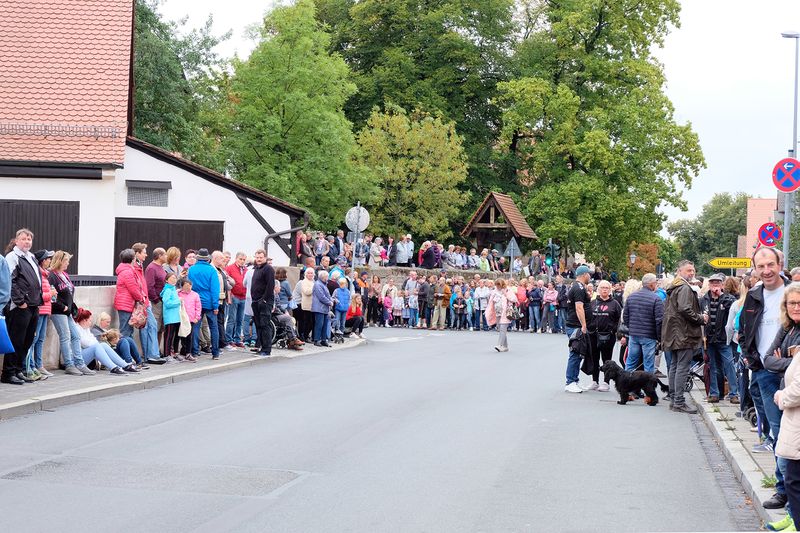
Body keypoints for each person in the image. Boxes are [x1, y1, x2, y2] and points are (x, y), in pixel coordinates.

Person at [741, 247, 791, 511]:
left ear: (780, 263)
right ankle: (783, 489)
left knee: (790, 433)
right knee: (778, 433)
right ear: (755, 269)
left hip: (791, 373)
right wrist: (752, 360)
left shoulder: (793, 292)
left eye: (771, 264)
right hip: (764, 372)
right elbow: (745, 330)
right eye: (761, 267)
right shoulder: (753, 294)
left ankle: (788, 489)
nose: (767, 271)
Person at [3, 229, 45, 384]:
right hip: (20, 306)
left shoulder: (32, 257)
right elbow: (10, 281)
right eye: (24, 239)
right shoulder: (12, 257)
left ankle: (19, 369)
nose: (27, 241)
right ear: (16, 240)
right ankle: (8, 373)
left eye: (29, 239)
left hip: (34, 305)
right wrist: (20, 302)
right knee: (16, 340)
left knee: (27, 340)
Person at [773, 284, 800, 531]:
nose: (795, 307)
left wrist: (782, 396)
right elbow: (770, 357)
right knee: (788, 471)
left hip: (792, 406)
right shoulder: (789, 328)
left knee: (792, 474)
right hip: (790, 414)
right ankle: (792, 516)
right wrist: (786, 360)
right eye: (791, 303)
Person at [662, 260, 705, 414]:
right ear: (679, 271)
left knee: (674, 365)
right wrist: (701, 318)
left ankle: (674, 399)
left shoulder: (673, 287)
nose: (692, 273)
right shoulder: (684, 287)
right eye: (688, 270)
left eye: (693, 270)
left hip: (673, 333)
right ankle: (679, 401)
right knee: (681, 367)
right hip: (683, 334)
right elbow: (685, 309)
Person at [48, 250, 94, 376]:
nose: (68, 263)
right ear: (60, 261)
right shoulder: (52, 276)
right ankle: (69, 364)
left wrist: (71, 307)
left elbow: (69, 292)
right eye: (66, 260)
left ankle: (79, 363)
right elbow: (52, 296)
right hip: (58, 311)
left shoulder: (65, 275)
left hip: (67, 311)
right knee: (65, 336)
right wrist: (62, 307)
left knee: (75, 336)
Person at [702, 272, 738, 404]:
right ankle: (714, 393)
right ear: (709, 284)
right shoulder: (704, 299)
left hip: (723, 339)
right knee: (712, 366)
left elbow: (733, 308)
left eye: (717, 283)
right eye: (712, 283)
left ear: (722, 285)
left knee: (729, 365)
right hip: (709, 340)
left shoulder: (728, 298)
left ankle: (734, 393)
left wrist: (720, 295)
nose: (714, 285)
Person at [622, 273, 663, 373]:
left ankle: (628, 385)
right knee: (648, 364)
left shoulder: (631, 297)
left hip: (634, 334)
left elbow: (625, 316)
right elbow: (659, 320)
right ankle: (647, 386)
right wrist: (659, 337)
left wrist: (631, 327)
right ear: (652, 284)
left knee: (631, 362)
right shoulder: (656, 299)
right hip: (649, 335)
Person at [74, 308, 136, 374]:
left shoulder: (86, 328)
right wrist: (94, 343)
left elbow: (93, 341)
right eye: (89, 321)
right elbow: (86, 343)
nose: (91, 322)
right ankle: (113, 367)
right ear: (84, 321)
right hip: (76, 360)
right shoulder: (77, 329)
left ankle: (125, 365)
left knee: (103, 345)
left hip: (84, 355)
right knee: (96, 346)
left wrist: (94, 343)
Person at [26, 249, 56, 379]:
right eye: (48, 258)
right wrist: (51, 294)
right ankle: (31, 366)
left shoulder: (45, 275)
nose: (50, 261)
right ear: (43, 261)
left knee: (41, 339)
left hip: (46, 311)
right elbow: (37, 295)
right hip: (40, 310)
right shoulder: (38, 274)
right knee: (33, 339)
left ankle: (39, 365)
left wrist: (51, 295)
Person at [188, 248, 221, 359]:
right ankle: (215, 353)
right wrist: (215, 305)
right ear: (208, 259)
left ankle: (195, 351)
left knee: (196, 327)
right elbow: (215, 289)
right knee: (213, 327)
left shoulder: (192, 269)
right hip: (209, 302)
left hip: (196, 301)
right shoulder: (212, 271)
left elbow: (189, 286)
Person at [564, 265, 592, 393]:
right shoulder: (579, 288)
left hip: (575, 324)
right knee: (575, 353)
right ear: (584, 274)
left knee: (578, 353)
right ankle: (570, 382)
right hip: (576, 325)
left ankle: (574, 380)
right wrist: (584, 325)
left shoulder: (577, 287)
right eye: (589, 274)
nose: (590, 276)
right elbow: (579, 307)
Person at [591, 280, 622, 392]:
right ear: (598, 289)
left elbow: (619, 320)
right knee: (594, 358)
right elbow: (589, 317)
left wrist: (614, 330)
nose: (604, 290)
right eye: (602, 287)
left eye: (606, 288)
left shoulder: (615, 304)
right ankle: (594, 381)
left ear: (610, 290)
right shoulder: (593, 302)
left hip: (608, 336)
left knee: (607, 360)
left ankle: (606, 382)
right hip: (594, 335)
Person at [250, 249, 276, 357]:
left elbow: (270, 285)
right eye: (257, 257)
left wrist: (264, 299)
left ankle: (266, 349)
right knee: (258, 325)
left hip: (264, 302)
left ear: (265, 257)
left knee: (265, 325)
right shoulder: (256, 268)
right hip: (255, 301)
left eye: (261, 257)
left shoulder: (268, 269)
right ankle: (260, 345)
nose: (259, 259)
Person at [225, 252, 248, 347]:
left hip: (243, 296)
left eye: (243, 259)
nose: (242, 261)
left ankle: (237, 339)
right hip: (234, 296)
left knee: (240, 320)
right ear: (236, 258)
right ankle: (228, 339)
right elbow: (227, 282)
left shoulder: (246, 269)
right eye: (240, 259)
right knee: (232, 319)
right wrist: (230, 295)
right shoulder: (230, 268)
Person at [145, 247, 167, 339]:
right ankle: (153, 350)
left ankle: (157, 350)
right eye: (165, 254)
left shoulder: (161, 267)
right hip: (156, 302)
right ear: (159, 256)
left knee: (161, 328)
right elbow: (149, 286)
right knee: (155, 326)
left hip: (163, 301)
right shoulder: (151, 268)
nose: (167, 256)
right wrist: (156, 299)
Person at [160, 272, 182, 361]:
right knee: (168, 336)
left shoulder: (173, 289)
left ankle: (175, 353)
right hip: (170, 317)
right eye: (171, 278)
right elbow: (167, 303)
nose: (173, 280)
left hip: (176, 316)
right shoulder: (167, 290)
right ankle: (167, 354)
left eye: (175, 278)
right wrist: (179, 301)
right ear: (166, 280)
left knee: (177, 336)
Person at [312, 270, 333, 346]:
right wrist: (329, 302)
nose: (328, 278)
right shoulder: (318, 284)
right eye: (327, 277)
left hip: (325, 308)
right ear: (323, 277)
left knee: (325, 324)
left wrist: (332, 300)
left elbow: (328, 295)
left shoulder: (324, 285)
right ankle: (316, 340)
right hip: (319, 308)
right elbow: (321, 297)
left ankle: (324, 340)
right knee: (319, 324)